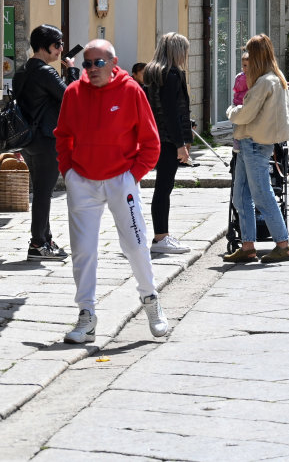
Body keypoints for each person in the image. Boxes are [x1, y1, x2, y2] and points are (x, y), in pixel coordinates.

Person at [56, 39, 169, 344]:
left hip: (121, 178)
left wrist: (132, 176)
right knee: (83, 250)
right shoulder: (73, 93)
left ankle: (150, 300)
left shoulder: (131, 91)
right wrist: (68, 172)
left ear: (113, 62)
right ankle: (86, 315)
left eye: (98, 63)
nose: (91, 69)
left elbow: (150, 141)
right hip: (82, 180)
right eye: (87, 64)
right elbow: (62, 135)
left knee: (135, 244)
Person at [224, 34, 289, 264]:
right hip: (254, 142)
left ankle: (282, 244)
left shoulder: (264, 82)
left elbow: (245, 113)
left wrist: (231, 111)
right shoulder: (277, 78)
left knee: (261, 194)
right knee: (241, 195)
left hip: (254, 142)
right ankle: (248, 246)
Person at [15, 24, 69, 261]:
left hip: (29, 141)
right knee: (43, 193)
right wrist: (73, 71)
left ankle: (45, 239)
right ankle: (38, 243)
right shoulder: (45, 72)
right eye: (57, 44)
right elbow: (69, 97)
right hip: (46, 139)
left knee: (40, 191)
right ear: (45, 46)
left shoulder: (22, 71)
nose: (60, 49)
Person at [141, 32, 194, 256]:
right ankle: (161, 236)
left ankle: (161, 235)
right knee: (164, 188)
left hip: (154, 136)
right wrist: (181, 143)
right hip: (168, 139)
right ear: (176, 51)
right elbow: (172, 113)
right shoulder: (171, 74)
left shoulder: (152, 72)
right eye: (184, 51)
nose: (185, 56)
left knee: (162, 187)